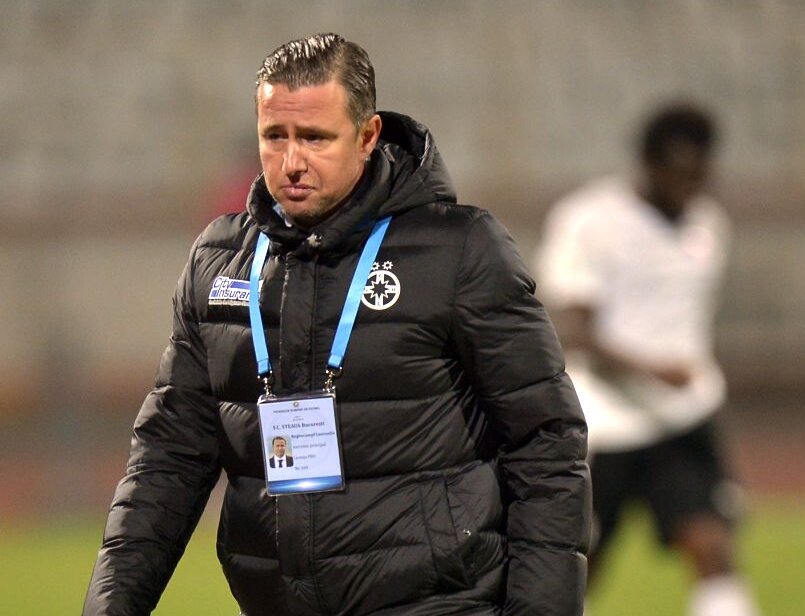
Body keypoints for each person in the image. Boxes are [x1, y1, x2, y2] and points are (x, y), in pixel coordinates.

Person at [83, 33, 590, 616]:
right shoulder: (220, 263)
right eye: (275, 136)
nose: (291, 162)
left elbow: (545, 441)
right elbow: (168, 458)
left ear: (368, 136)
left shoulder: (459, 251)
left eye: (315, 138)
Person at [535, 104, 760, 616]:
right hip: (603, 423)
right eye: (678, 172)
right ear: (649, 163)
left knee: (713, 548)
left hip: (680, 420)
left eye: (698, 174)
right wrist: (652, 368)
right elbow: (573, 328)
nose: (688, 186)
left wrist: (683, 375)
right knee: (578, 568)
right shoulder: (590, 219)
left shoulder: (709, 226)